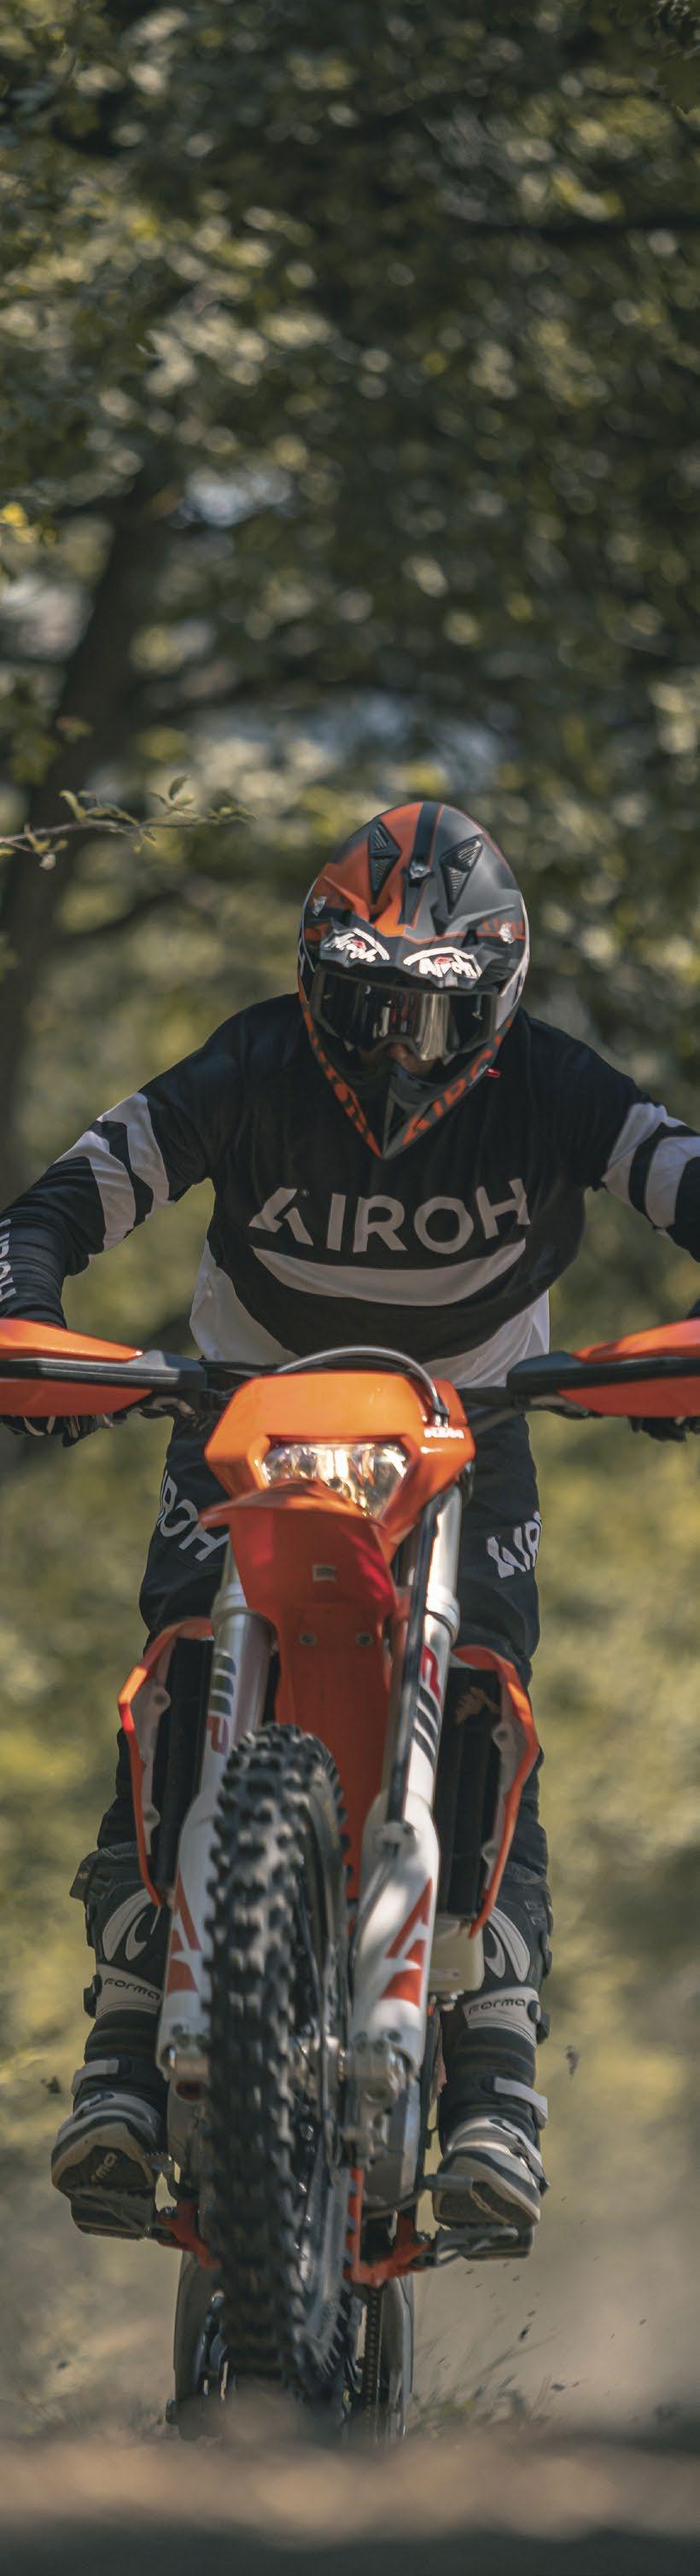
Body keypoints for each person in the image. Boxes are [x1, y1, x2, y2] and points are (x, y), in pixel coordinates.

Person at [2, 800, 698, 2250]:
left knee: (489, 1688)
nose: (395, 1049)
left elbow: (680, 1170)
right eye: (364, 1001)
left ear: (496, 1000)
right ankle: (125, 2027)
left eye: (433, 1014)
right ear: (311, 975)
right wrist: (28, 1318)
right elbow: (68, 1194)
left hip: (471, 1430)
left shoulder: (557, 1084)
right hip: (246, 1414)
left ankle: (496, 2066)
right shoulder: (252, 1062)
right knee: (180, 1663)